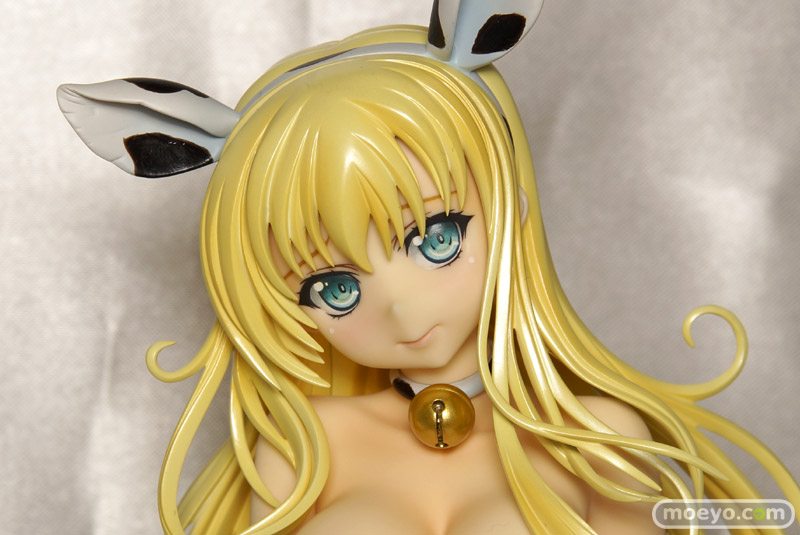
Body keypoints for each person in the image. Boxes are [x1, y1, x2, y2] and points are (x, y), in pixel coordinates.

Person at [57, 2, 799, 533]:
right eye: (334, 287)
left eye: (437, 239)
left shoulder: (600, 439)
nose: (403, 310)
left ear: (512, 203)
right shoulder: (300, 451)